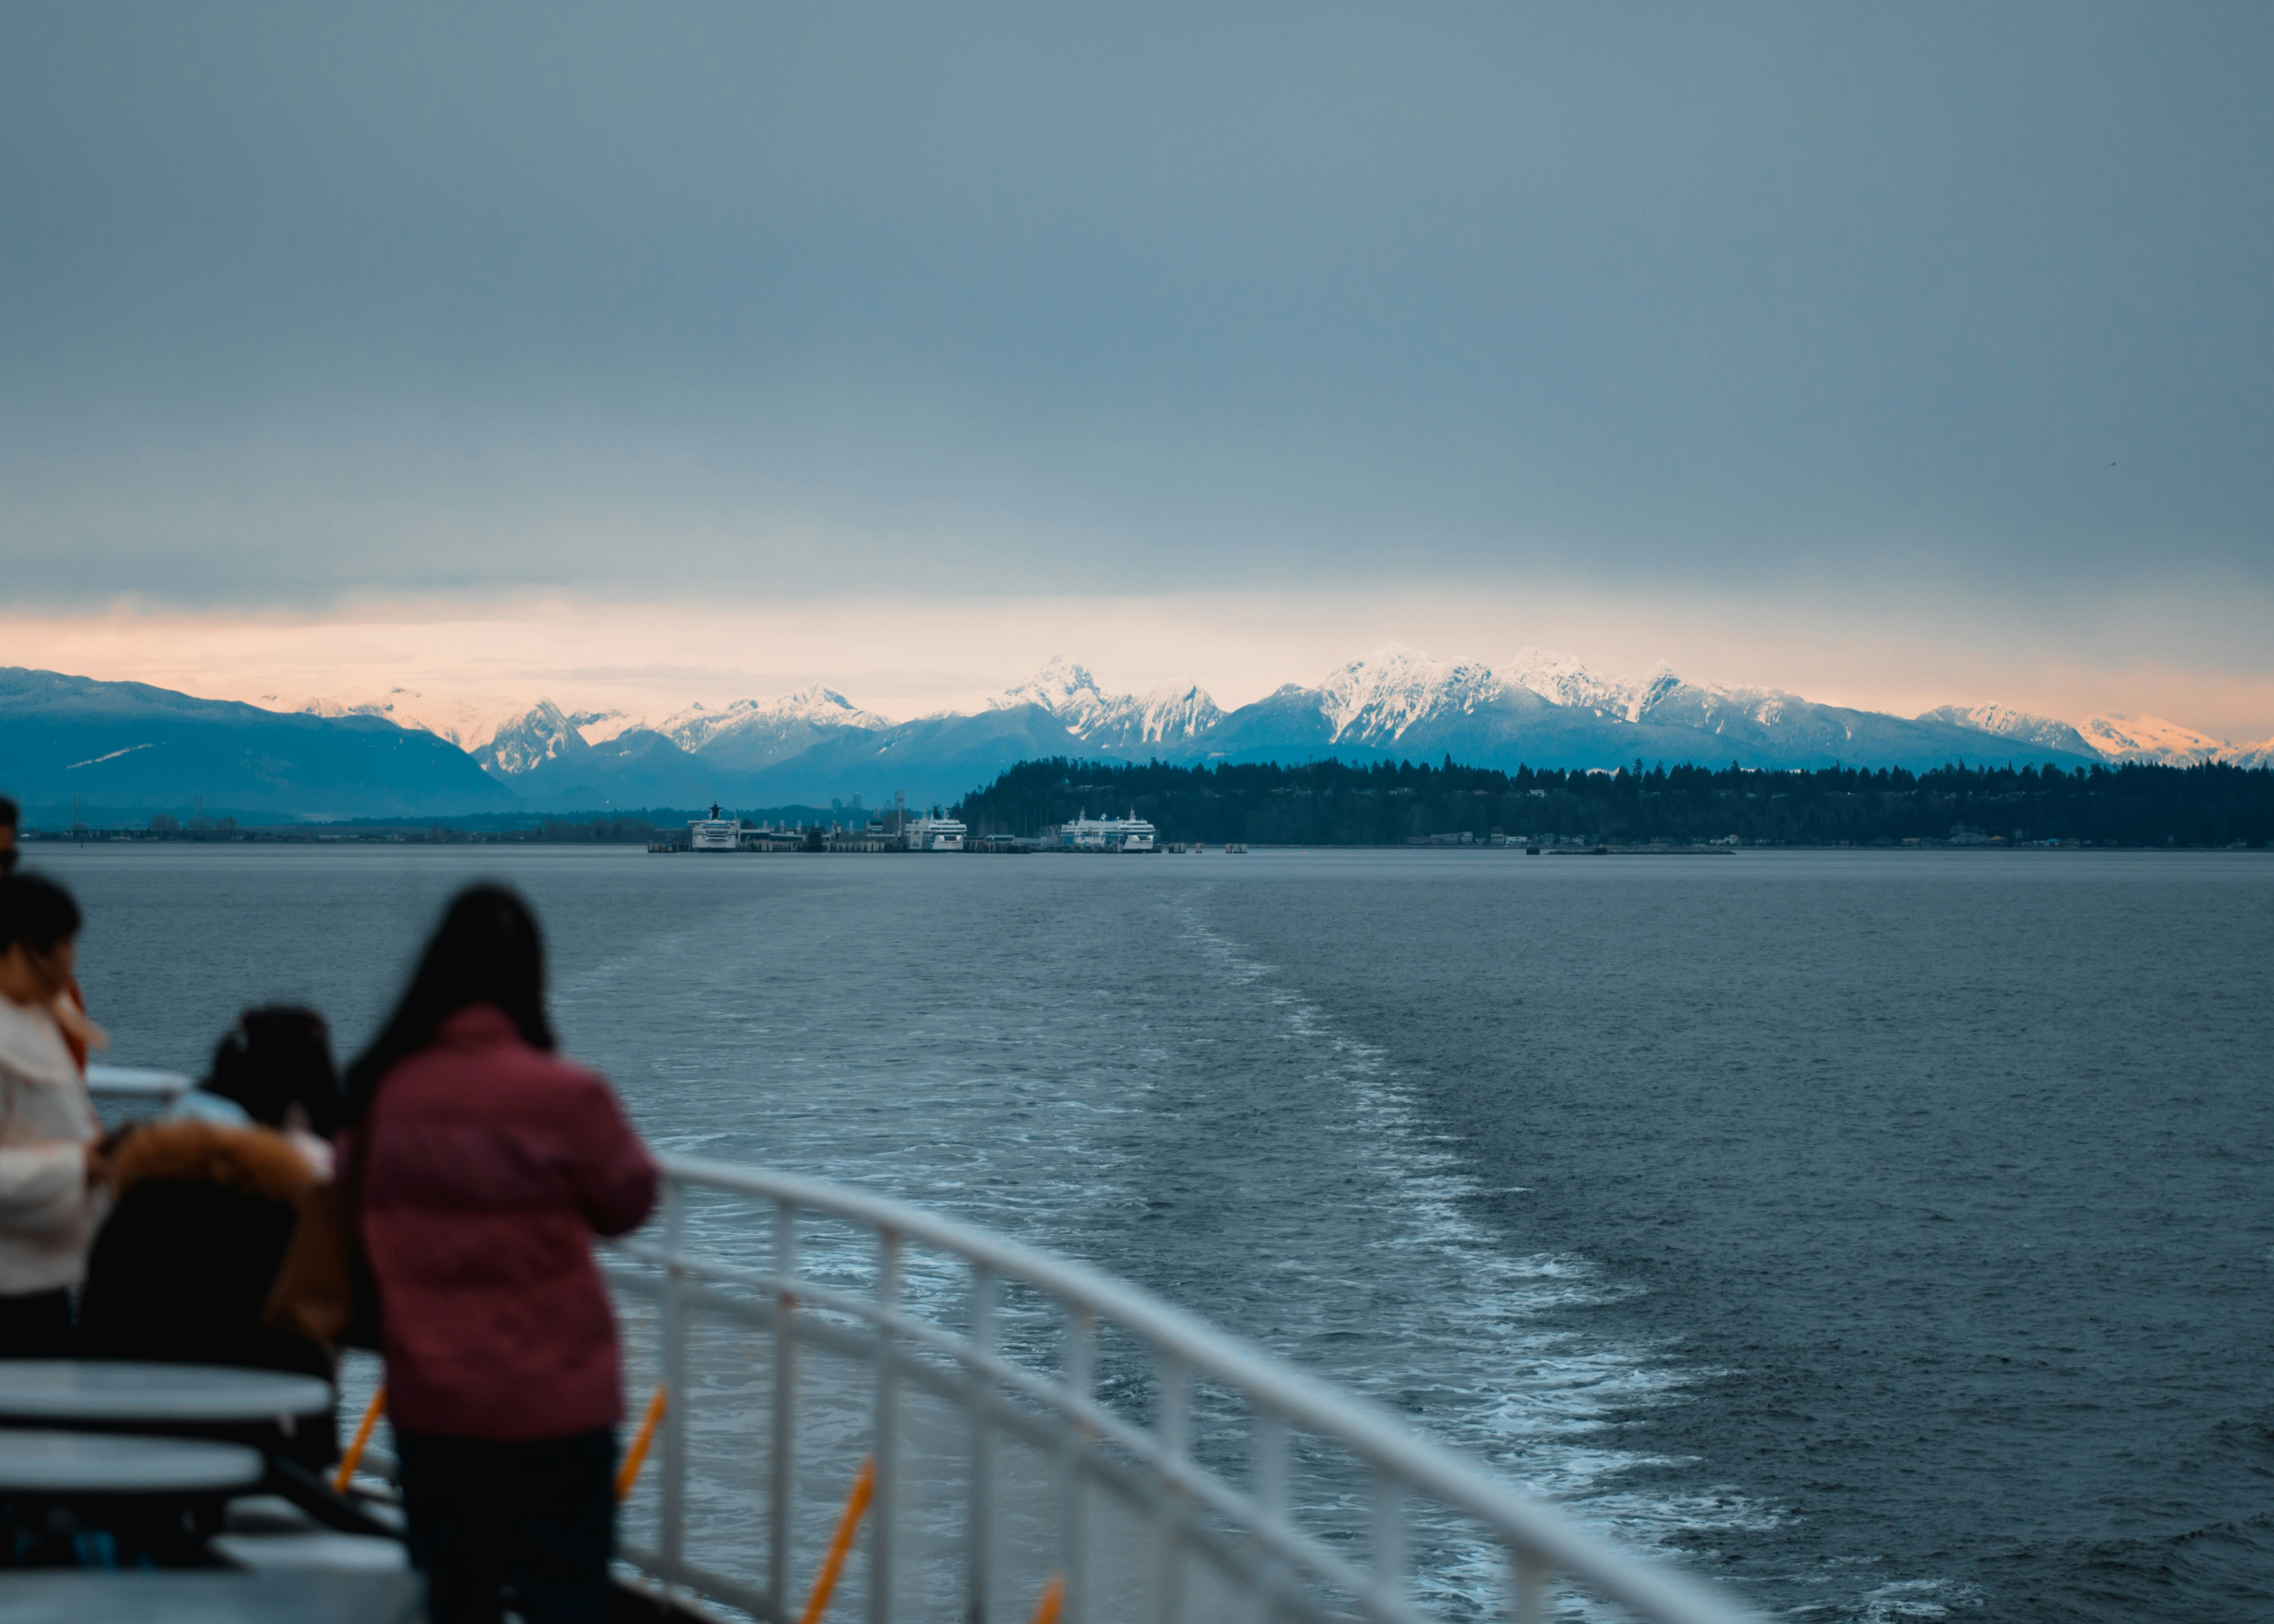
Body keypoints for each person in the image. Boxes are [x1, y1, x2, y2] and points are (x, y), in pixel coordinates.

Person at [347, 884, 656, 1624]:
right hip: (557, 1401)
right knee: (566, 1597)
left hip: (432, 1399)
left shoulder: (382, 1092)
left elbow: (347, 1198)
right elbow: (629, 1200)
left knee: (455, 1597)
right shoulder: (565, 1096)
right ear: (529, 978)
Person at [76, 1008, 342, 1389]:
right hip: (239, 1435)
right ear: (297, 1115)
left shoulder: (136, 1202)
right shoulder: (280, 1217)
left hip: (117, 1429)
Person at [0, 874, 104, 1356]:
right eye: (61, 943)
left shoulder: (44, 1016)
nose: (71, 957)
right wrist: (84, 1165)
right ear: (23, 948)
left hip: (44, 1274)